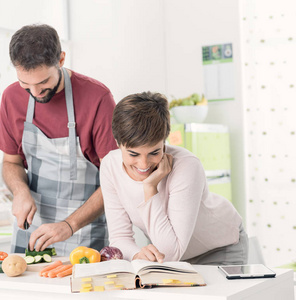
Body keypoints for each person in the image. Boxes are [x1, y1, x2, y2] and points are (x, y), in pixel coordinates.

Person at [0, 24, 117, 256]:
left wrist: (69, 225)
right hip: (32, 231)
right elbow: (11, 162)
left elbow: (116, 180)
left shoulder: (97, 98)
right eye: (25, 84)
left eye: (43, 83)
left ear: (61, 59)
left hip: (85, 233)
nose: (35, 92)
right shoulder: (11, 98)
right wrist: (20, 191)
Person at [100, 91, 248, 265]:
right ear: (118, 142)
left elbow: (170, 254)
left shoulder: (186, 166)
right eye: (133, 154)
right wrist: (136, 255)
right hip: (166, 248)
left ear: (164, 141)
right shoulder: (110, 166)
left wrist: (150, 188)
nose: (143, 164)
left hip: (218, 248)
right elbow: (119, 238)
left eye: (154, 152)